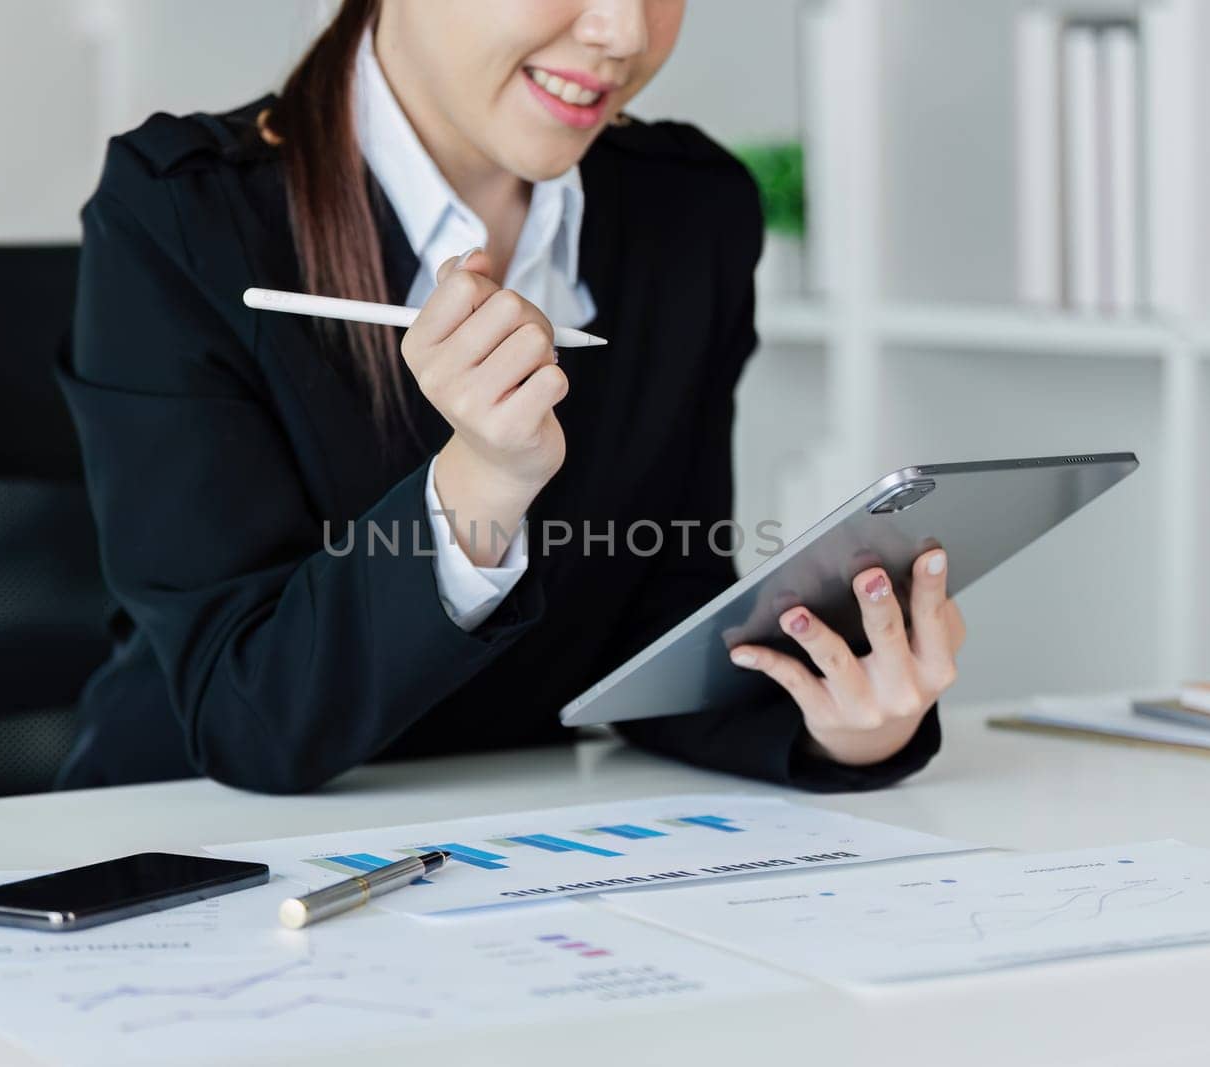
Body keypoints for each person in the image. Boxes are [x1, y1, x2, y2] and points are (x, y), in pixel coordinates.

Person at [56, 0, 967, 793]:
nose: (624, 32)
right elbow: (243, 712)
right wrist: (479, 485)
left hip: (517, 841)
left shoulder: (691, 213)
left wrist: (836, 723)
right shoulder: (183, 213)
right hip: (195, 854)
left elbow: (653, 613)